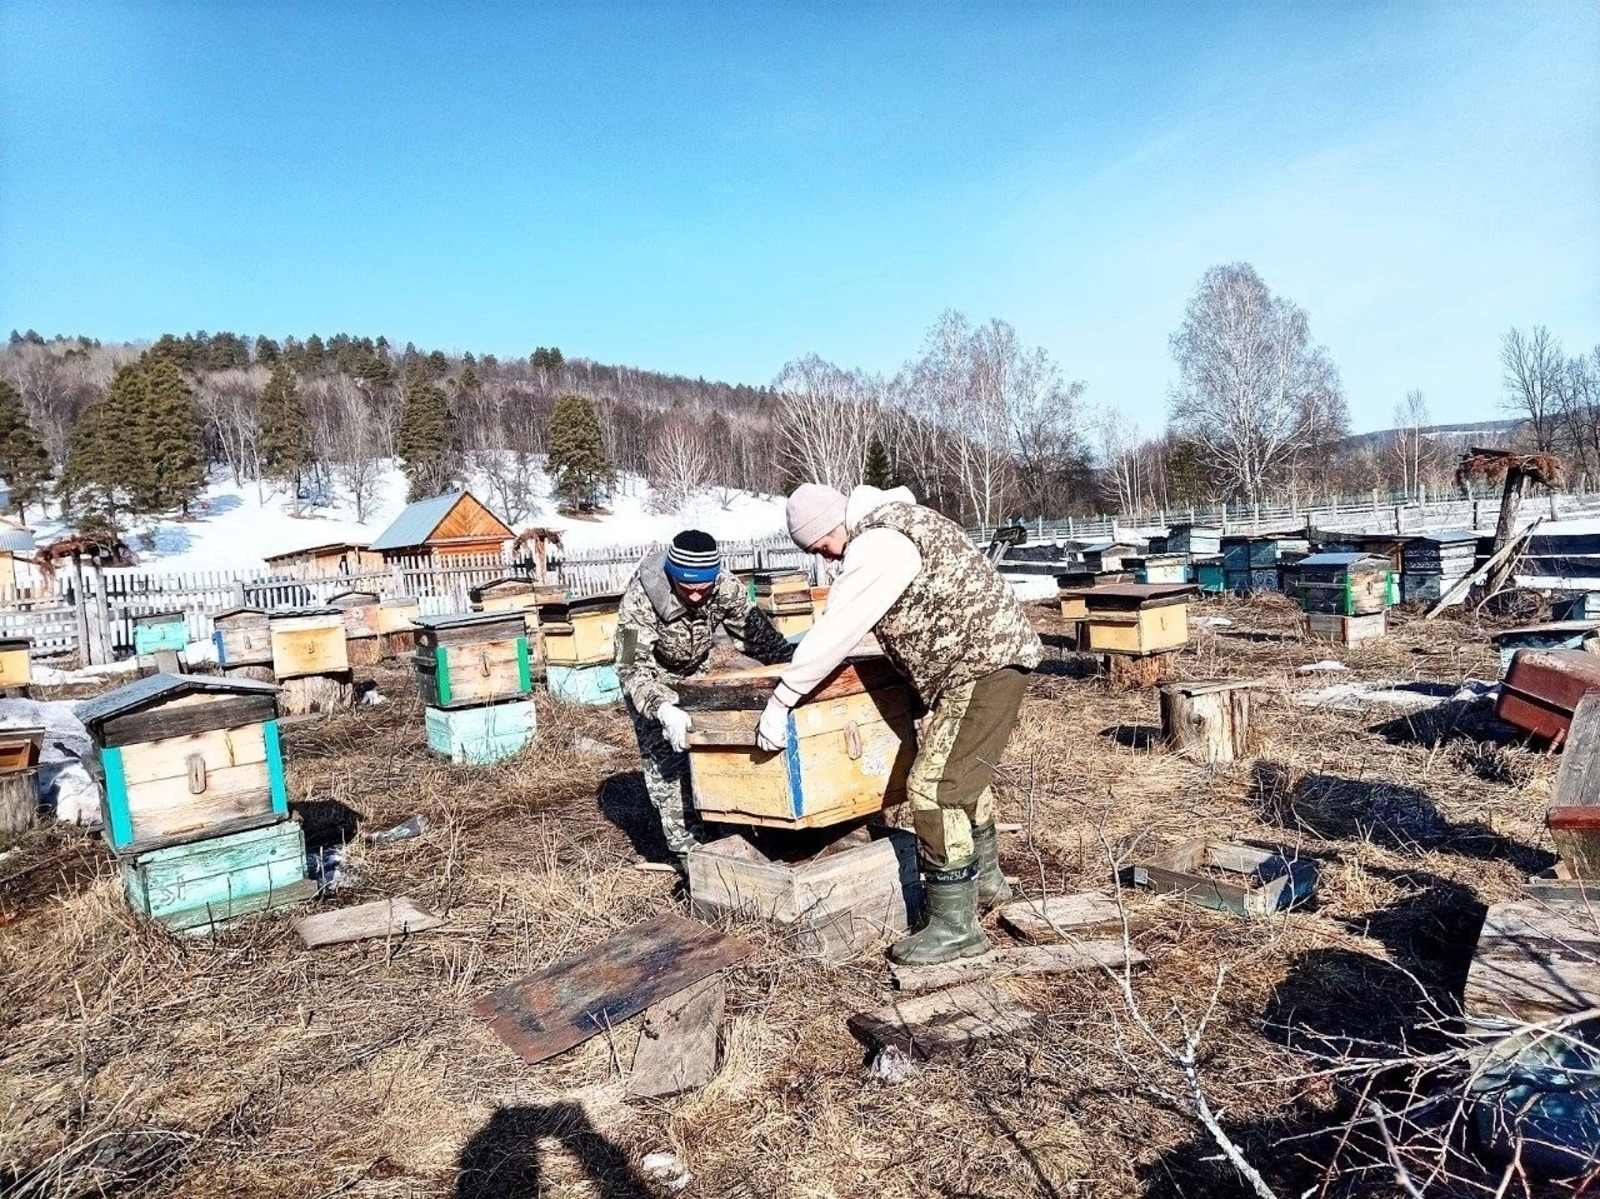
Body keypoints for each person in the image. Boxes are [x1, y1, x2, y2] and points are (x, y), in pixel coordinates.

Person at [757, 483, 1041, 965]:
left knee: (935, 788)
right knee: (963, 777)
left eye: (819, 547)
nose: (825, 559)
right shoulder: (899, 522)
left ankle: (955, 926)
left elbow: (836, 630)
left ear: (829, 526)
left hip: (980, 668)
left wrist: (783, 698)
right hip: (987, 662)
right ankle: (987, 883)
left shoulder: (877, 544)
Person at [614, 529, 794, 875]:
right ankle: (691, 859)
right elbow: (628, 665)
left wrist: (794, 677)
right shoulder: (638, 599)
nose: (697, 595)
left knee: (718, 755)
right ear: (672, 576)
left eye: (704, 586)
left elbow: (760, 636)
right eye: (687, 587)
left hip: (699, 677)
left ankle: (731, 835)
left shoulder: (724, 586)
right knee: (669, 768)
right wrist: (663, 709)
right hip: (652, 684)